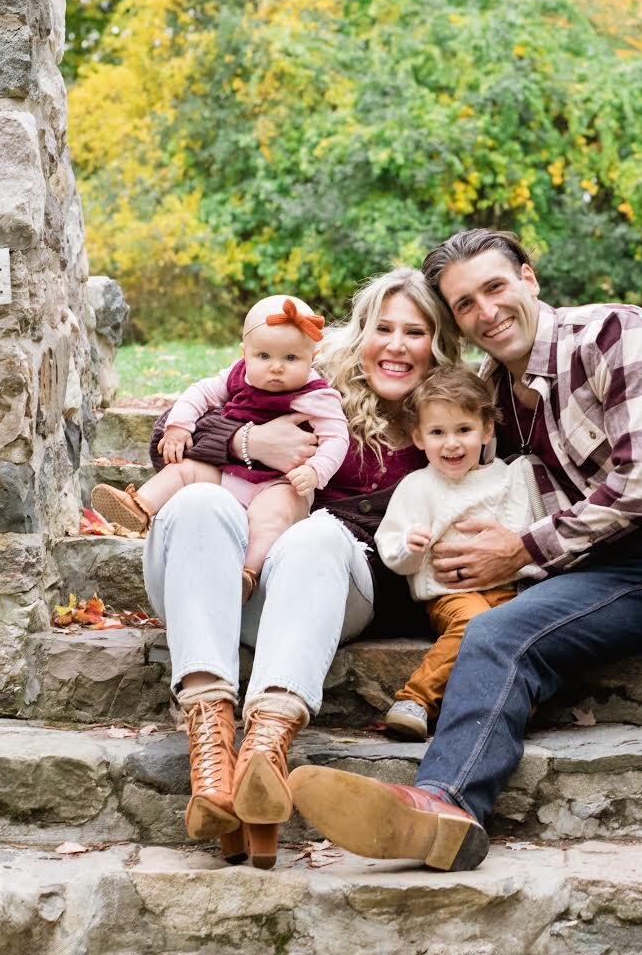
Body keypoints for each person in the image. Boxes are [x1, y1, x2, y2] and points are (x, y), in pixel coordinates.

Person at [290, 229, 642, 874]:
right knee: (496, 631)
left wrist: (521, 548)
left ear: (529, 280)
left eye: (495, 287)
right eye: (465, 304)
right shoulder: (494, 394)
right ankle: (443, 805)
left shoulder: (615, 334)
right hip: (620, 575)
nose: (486, 311)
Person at [140, 268, 461, 869]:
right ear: (358, 334)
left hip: (319, 599)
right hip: (208, 580)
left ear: (438, 342)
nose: (395, 345)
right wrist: (246, 444)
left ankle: (266, 745)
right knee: (201, 500)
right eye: (382, 328)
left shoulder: (453, 422)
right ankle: (211, 748)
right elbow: (168, 436)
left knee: (322, 531)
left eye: (414, 332)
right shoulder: (303, 378)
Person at [91, 295, 350, 602]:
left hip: (278, 483)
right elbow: (200, 393)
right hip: (228, 473)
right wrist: (179, 425)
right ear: (245, 353)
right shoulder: (236, 375)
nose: (276, 368)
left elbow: (337, 438)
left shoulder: (318, 395)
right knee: (185, 471)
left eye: (291, 359)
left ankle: (248, 573)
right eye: (263, 356)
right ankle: (140, 505)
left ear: (312, 357)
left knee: (274, 514)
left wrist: (315, 469)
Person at [373, 365, 547, 741]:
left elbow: (527, 535)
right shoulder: (419, 487)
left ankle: (506, 702)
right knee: (476, 625)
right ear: (418, 437)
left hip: (508, 590)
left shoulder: (508, 477)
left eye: (463, 431)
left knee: (519, 633)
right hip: (451, 594)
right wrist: (411, 547)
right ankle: (415, 699)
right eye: (437, 433)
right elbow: (391, 547)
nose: (451, 444)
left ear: (486, 430)